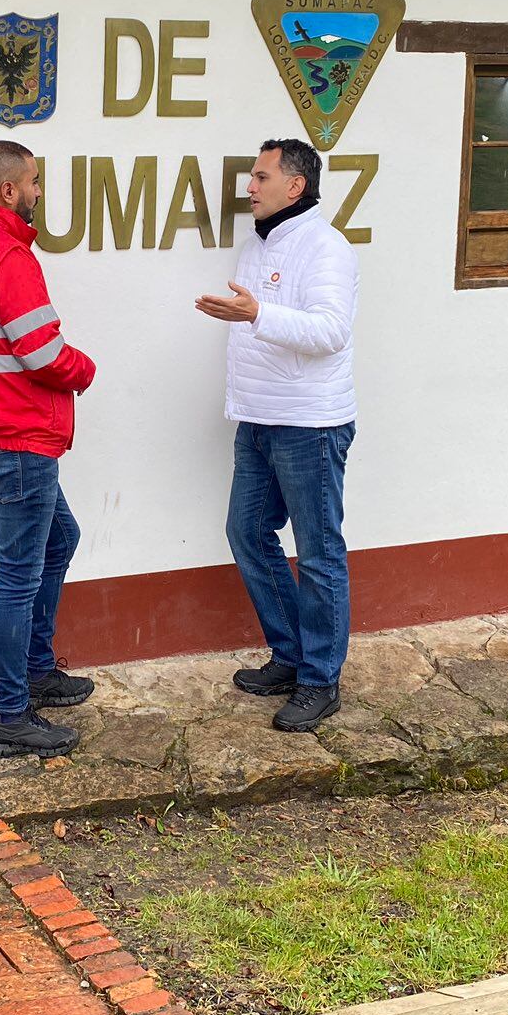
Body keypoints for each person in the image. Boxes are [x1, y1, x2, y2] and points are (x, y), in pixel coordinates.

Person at [0, 139, 98, 760]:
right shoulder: (7, 256)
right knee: (19, 579)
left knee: (60, 539)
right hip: (16, 437)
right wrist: (85, 369)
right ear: (8, 190)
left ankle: (36, 669)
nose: (37, 191)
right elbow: (43, 353)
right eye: (32, 181)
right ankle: (10, 713)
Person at [195, 137, 360, 734]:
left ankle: (321, 680)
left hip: (310, 426)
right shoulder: (257, 245)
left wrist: (257, 314)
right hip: (259, 419)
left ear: (296, 186)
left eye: (261, 176)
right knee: (247, 531)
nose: (250, 186)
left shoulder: (328, 249)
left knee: (319, 554)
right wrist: (250, 316)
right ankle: (291, 656)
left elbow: (330, 332)